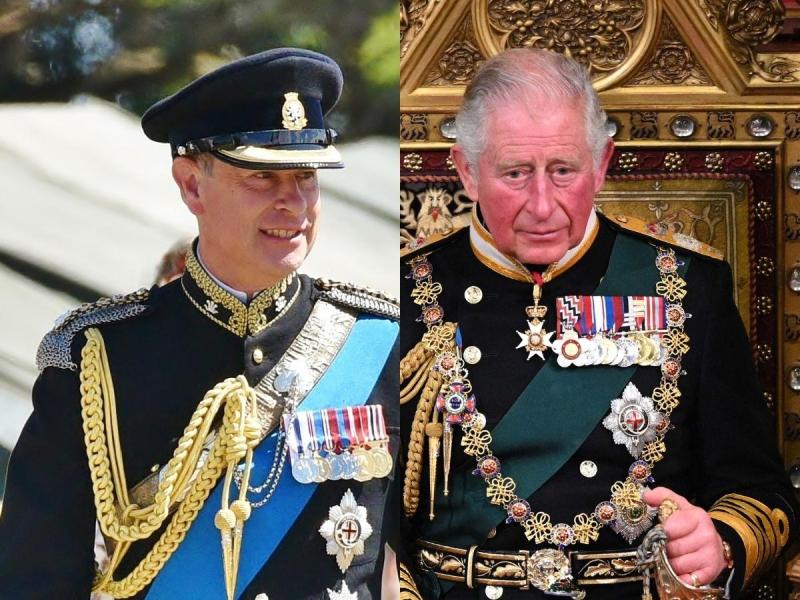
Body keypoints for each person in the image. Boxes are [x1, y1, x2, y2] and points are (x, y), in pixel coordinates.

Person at [0, 48, 399, 600]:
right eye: (263, 176)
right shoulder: (96, 358)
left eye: (307, 176)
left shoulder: (381, 346)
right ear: (191, 185)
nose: (294, 203)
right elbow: (34, 577)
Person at [398, 48, 796, 600]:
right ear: (466, 168)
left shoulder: (687, 286)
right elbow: (370, 512)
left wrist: (719, 541)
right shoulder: (402, 293)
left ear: (602, 162)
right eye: (515, 173)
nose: (541, 205)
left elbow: (760, 492)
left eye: (564, 171)